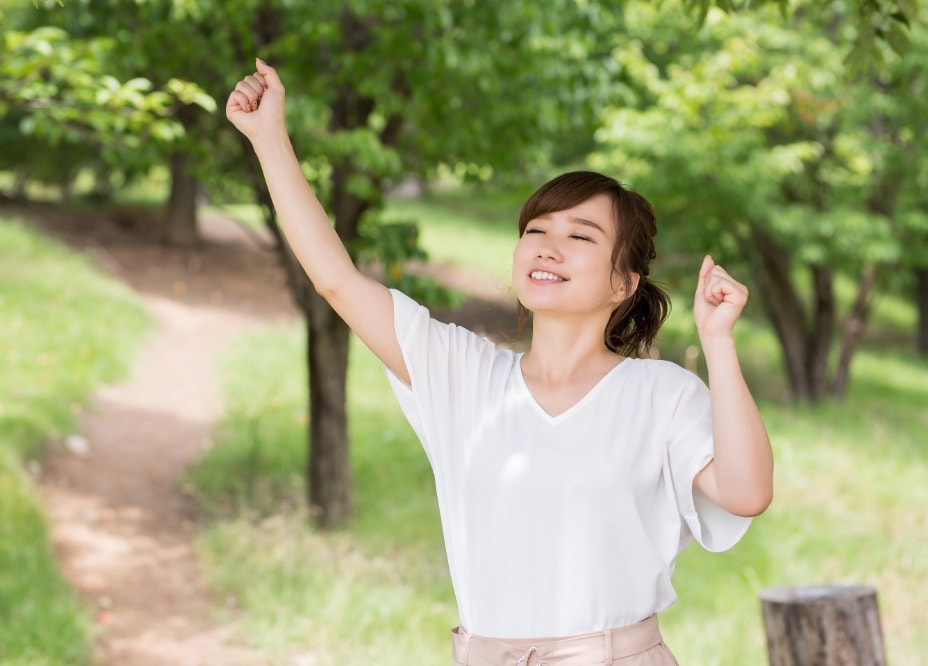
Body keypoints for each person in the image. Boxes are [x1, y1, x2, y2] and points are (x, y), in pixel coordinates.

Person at [226, 59, 774, 666]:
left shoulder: (661, 394)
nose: (548, 245)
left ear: (624, 282)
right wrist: (269, 137)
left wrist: (718, 342)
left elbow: (746, 493)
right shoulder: (462, 376)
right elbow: (336, 281)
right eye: (536, 229)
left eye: (582, 236)